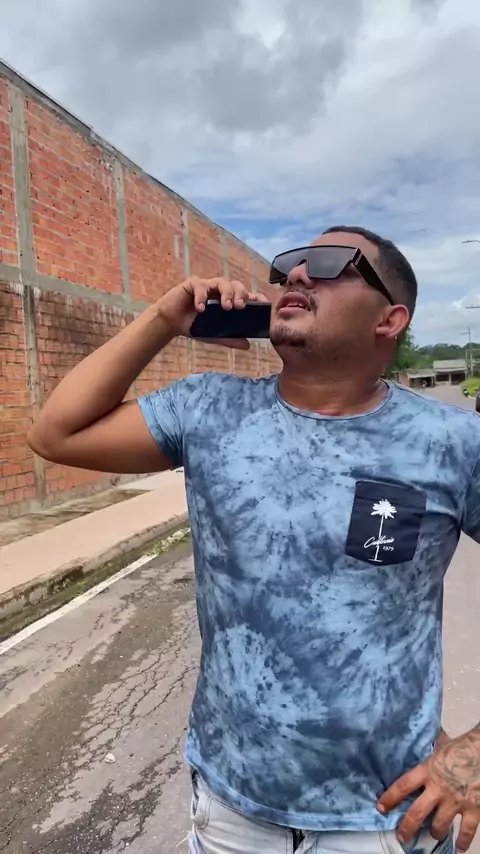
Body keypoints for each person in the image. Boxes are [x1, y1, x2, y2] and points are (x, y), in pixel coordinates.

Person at [27, 226, 480, 854]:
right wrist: (164, 320)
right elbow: (55, 434)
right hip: (231, 813)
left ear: (389, 319)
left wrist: (472, 757)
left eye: (331, 264)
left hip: (383, 822)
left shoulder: (452, 443)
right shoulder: (207, 409)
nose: (296, 275)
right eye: (290, 264)